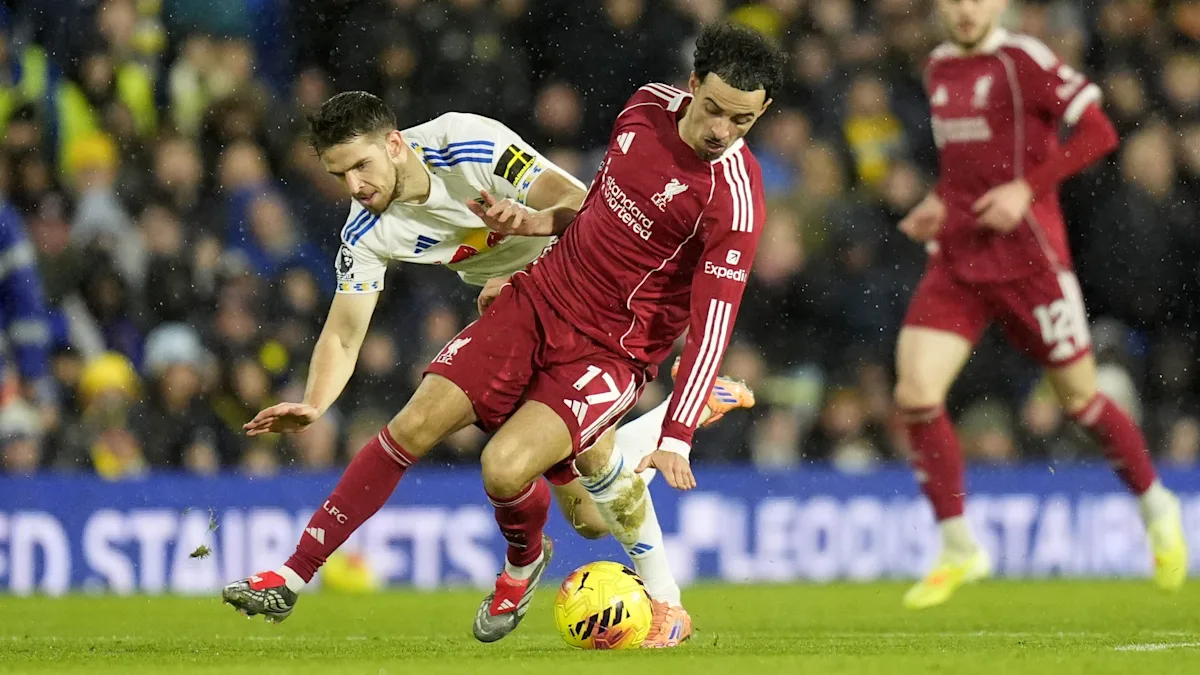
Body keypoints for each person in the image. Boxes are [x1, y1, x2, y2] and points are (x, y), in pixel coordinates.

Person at [220, 22, 779, 647]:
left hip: (609, 346)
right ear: (692, 85)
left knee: (559, 498)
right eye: (712, 111)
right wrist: (316, 404)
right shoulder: (645, 104)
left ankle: (672, 469)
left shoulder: (472, 144)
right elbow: (599, 203)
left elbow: (711, 311)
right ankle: (292, 577)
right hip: (533, 299)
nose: (721, 132)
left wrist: (675, 435)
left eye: (742, 121)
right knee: (411, 427)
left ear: (395, 144)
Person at [895, 0, 1187, 610]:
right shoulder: (938, 68)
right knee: (916, 393)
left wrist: (1027, 187)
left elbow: (1100, 131)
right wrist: (939, 201)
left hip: (1030, 263)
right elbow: (965, 168)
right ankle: (958, 546)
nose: (966, 10)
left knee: (1079, 400)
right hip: (958, 259)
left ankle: (1157, 504)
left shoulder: (1023, 59)